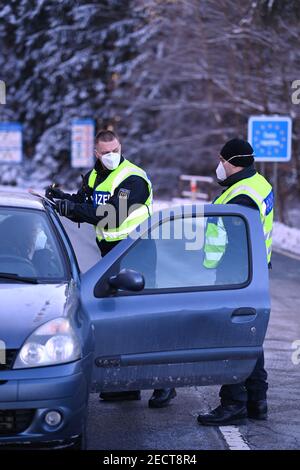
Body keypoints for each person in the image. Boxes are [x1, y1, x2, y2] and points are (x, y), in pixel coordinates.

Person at [45, 129, 176, 408]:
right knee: (119, 318)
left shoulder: (133, 178)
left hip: (136, 251)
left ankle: (165, 383)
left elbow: (112, 215)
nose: (111, 156)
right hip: (110, 253)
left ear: (121, 146)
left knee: (144, 318)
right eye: (105, 152)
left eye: (115, 150)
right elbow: (87, 201)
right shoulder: (95, 175)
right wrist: (62, 198)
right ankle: (127, 386)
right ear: (96, 153)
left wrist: (73, 210)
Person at [197, 138, 273, 426]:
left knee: (231, 338)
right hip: (256, 271)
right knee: (249, 335)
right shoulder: (259, 183)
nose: (219, 164)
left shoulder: (240, 197)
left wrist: (215, 272)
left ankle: (233, 403)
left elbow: (234, 244)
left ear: (231, 162)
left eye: (221, 159)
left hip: (237, 276)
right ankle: (257, 400)